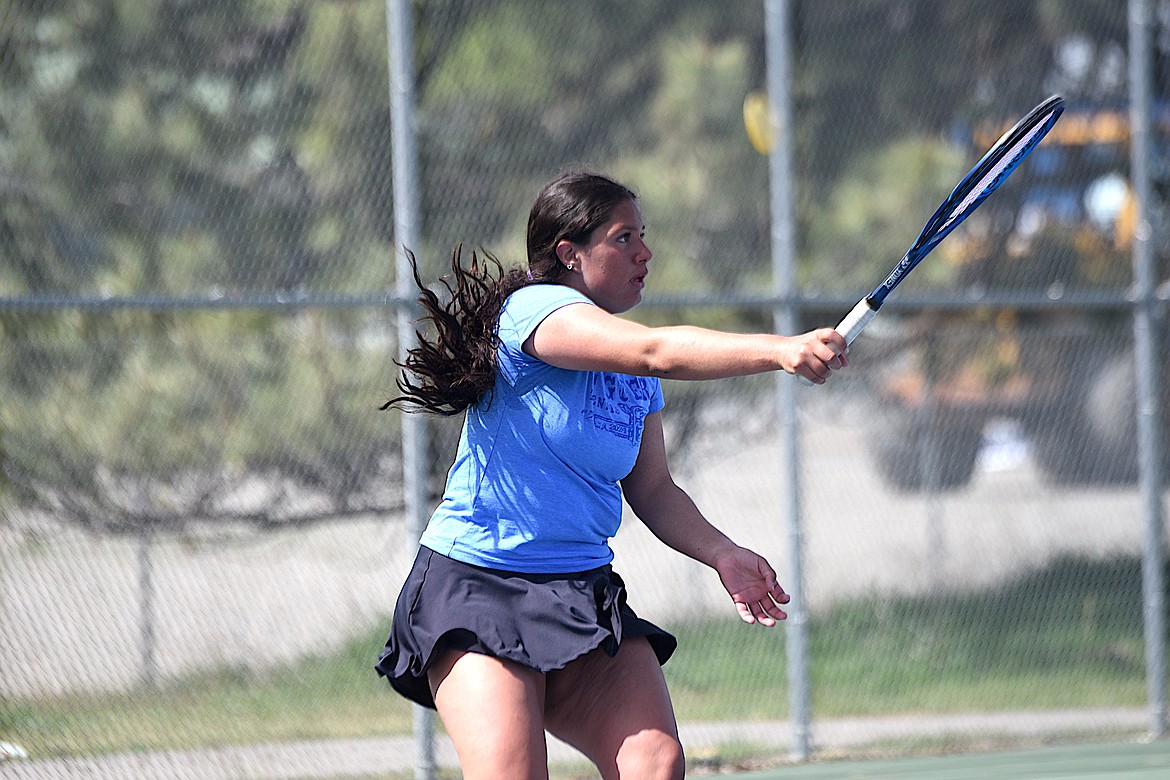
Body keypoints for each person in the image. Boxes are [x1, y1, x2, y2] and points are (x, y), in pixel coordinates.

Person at [375, 170, 848, 780]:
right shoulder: (534, 312)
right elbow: (656, 350)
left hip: (579, 592)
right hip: (477, 588)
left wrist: (723, 554)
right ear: (569, 254)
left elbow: (651, 488)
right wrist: (779, 349)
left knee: (656, 763)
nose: (645, 253)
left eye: (643, 236)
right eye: (624, 238)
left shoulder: (633, 371)